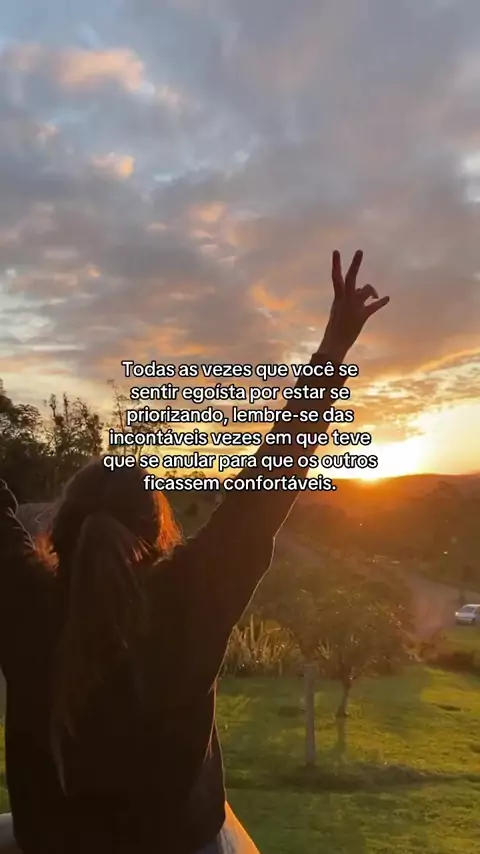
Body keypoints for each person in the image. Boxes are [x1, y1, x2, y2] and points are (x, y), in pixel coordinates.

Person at [0, 250, 389, 854]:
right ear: (159, 530)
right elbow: (268, 485)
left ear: (61, 526)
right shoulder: (191, 596)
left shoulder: (24, 600)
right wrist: (333, 350)